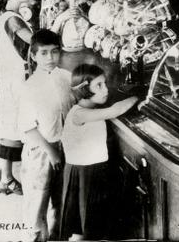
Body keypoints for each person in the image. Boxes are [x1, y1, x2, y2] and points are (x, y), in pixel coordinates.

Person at [59, 64, 138, 241]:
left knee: (84, 227)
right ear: (85, 88)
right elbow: (115, 110)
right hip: (85, 173)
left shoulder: (88, 109)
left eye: (105, 83)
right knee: (88, 228)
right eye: (99, 85)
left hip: (88, 171)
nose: (105, 89)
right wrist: (139, 96)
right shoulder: (79, 114)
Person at [18, 30, 73, 242]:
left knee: (60, 201)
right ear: (33, 56)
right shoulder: (29, 87)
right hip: (40, 151)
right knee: (37, 201)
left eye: (54, 52)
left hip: (65, 146)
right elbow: (28, 128)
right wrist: (52, 153)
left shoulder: (66, 77)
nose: (50, 58)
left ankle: (57, 236)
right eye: (43, 53)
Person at [0, 0, 33, 196]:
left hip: (10, 79)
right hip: (15, 81)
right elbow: (33, 43)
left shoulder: (8, 13)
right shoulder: (12, 19)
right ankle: (6, 179)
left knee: (7, 126)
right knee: (12, 129)